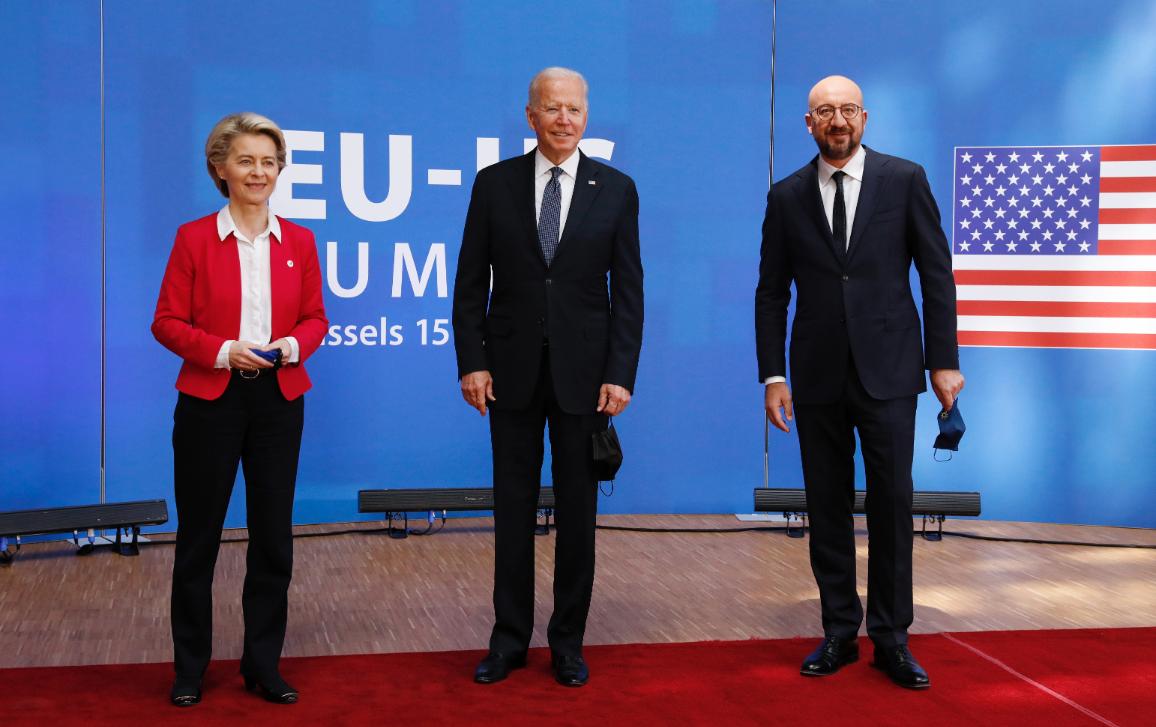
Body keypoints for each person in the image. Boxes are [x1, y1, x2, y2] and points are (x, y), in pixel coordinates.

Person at [755, 76, 964, 690]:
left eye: (847, 110)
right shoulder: (786, 195)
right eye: (825, 112)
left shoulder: (905, 179)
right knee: (826, 506)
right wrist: (773, 375)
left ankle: (892, 639)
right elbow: (772, 292)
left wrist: (942, 360)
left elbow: (936, 273)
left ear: (865, 118)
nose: (837, 120)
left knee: (893, 504)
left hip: (892, 372)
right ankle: (839, 633)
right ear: (809, 123)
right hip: (815, 376)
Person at [452, 67, 643, 687]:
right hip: (507, 375)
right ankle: (507, 641)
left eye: (575, 109)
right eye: (551, 108)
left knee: (579, 516)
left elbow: (629, 293)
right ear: (528, 115)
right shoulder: (493, 184)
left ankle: (568, 643)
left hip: (585, 381)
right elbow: (467, 287)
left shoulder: (616, 189)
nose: (564, 119)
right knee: (511, 511)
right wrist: (472, 361)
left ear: (587, 116)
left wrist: (620, 372)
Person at [152, 112, 328, 706]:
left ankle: (262, 664)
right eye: (246, 160)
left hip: (279, 402)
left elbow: (316, 318)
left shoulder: (300, 241)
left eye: (269, 162)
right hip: (210, 401)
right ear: (220, 169)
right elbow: (167, 323)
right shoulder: (193, 238)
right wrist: (224, 352)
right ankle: (190, 669)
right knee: (198, 538)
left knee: (274, 537)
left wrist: (292, 346)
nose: (259, 172)